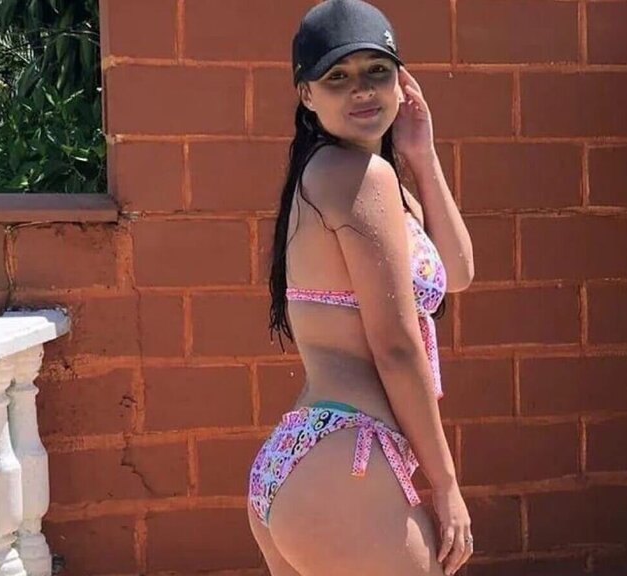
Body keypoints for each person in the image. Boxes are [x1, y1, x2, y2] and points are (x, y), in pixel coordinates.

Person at [246, 1, 476, 574]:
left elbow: (458, 272)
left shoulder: (363, 179)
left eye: (377, 70)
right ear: (306, 95)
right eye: (337, 77)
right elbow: (395, 345)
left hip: (306, 458)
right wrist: (446, 484)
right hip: (345, 459)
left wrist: (422, 154)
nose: (362, 90)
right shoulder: (359, 177)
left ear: (402, 80)